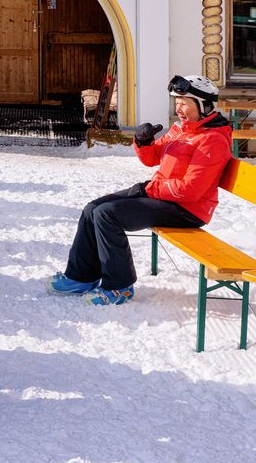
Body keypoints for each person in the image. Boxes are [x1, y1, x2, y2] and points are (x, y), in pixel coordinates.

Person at [49, 75, 232, 306]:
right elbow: (152, 158)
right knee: (92, 208)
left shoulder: (212, 141)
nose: (178, 108)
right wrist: (143, 142)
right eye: (176, 102)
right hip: (165, 196)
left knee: (107, 215)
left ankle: (120, 286)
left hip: (187, 209)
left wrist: (151, 189)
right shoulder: (181, 130)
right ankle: (81, 277)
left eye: (184, 103)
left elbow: (190, 190)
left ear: (204, 106)